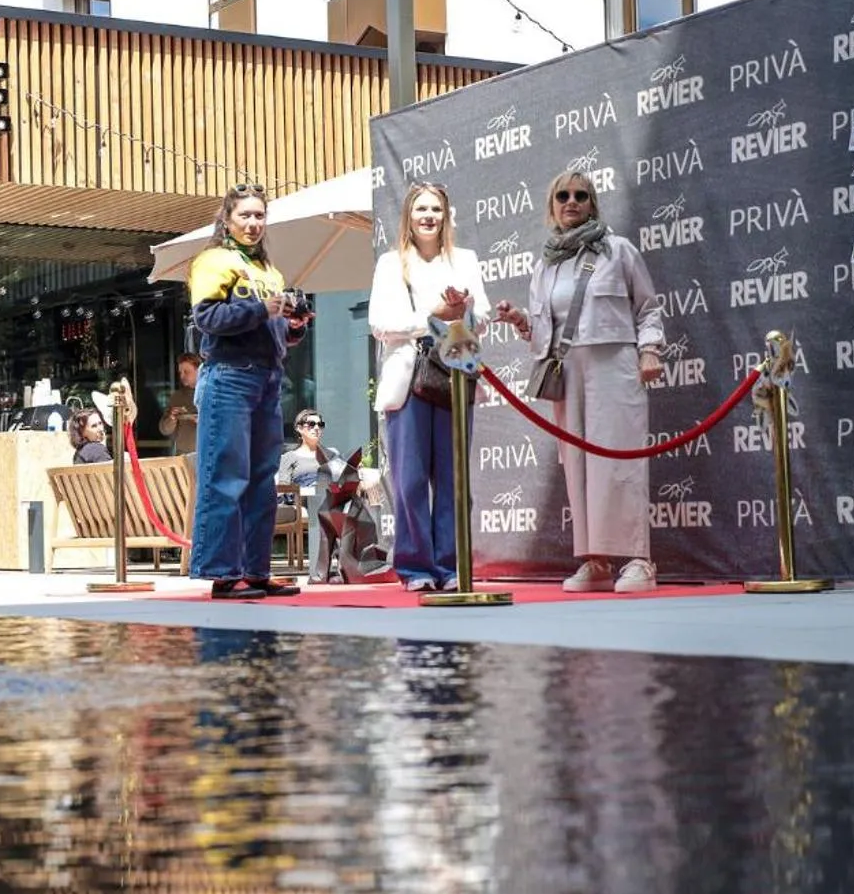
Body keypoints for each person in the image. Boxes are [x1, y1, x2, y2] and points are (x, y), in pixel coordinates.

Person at [493, 170, 665, 593]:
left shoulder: (619, 251)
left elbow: (648, 308)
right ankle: (596, 560)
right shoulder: (545, 266)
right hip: (567, 370)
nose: (571, 201)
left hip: (615, 363)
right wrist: (519, 321)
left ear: (593, 204)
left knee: (619, 458)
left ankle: (640, 560)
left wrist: (650, 351)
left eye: (581, 195)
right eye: (563, 196)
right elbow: (543, 333)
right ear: (552, 206)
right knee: (578, 465)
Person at [187, 183, 312, 599]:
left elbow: (272, 329)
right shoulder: (214, 260)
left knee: (261, 479)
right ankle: (223, 573)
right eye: (246, 215)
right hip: (229, 375)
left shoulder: (269, 271)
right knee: (227, 476)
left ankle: (256, 570)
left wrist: (293, 326)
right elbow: (207, 318)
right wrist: (263, 309)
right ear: (227, 219)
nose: (254, 223)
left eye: (260, 216)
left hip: (267, 377)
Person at [369, 180, 493, 592]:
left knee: (454, 478)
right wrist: (434, 314)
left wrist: (465, 308)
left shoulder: (466, 259)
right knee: (409, 480)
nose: (428, 217)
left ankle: (451, 564)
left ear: (446, 215)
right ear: (408, 216)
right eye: (421, 209)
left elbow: (484, 315)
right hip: (409, 378)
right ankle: (415, 565)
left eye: (436, 209)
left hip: (457, 371)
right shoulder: (391, 264)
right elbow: (382, 324)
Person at [276, 409, 346, 491]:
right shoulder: (288, 458)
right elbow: (284, 491)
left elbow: (343, 483)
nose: (316, 428)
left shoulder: (332, 454)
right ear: (299, 428)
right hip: (303, 502)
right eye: (311, 424)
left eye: (320, 424)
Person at [159, 353, 202, 455]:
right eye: (180, 372)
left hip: (207, 454)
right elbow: (164, 430)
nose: (182, 376)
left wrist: (203, 421)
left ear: (199, 371)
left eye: (186, 372)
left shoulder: (211, 394)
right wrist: (171, 418)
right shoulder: (177, 397)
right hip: (183, 455)